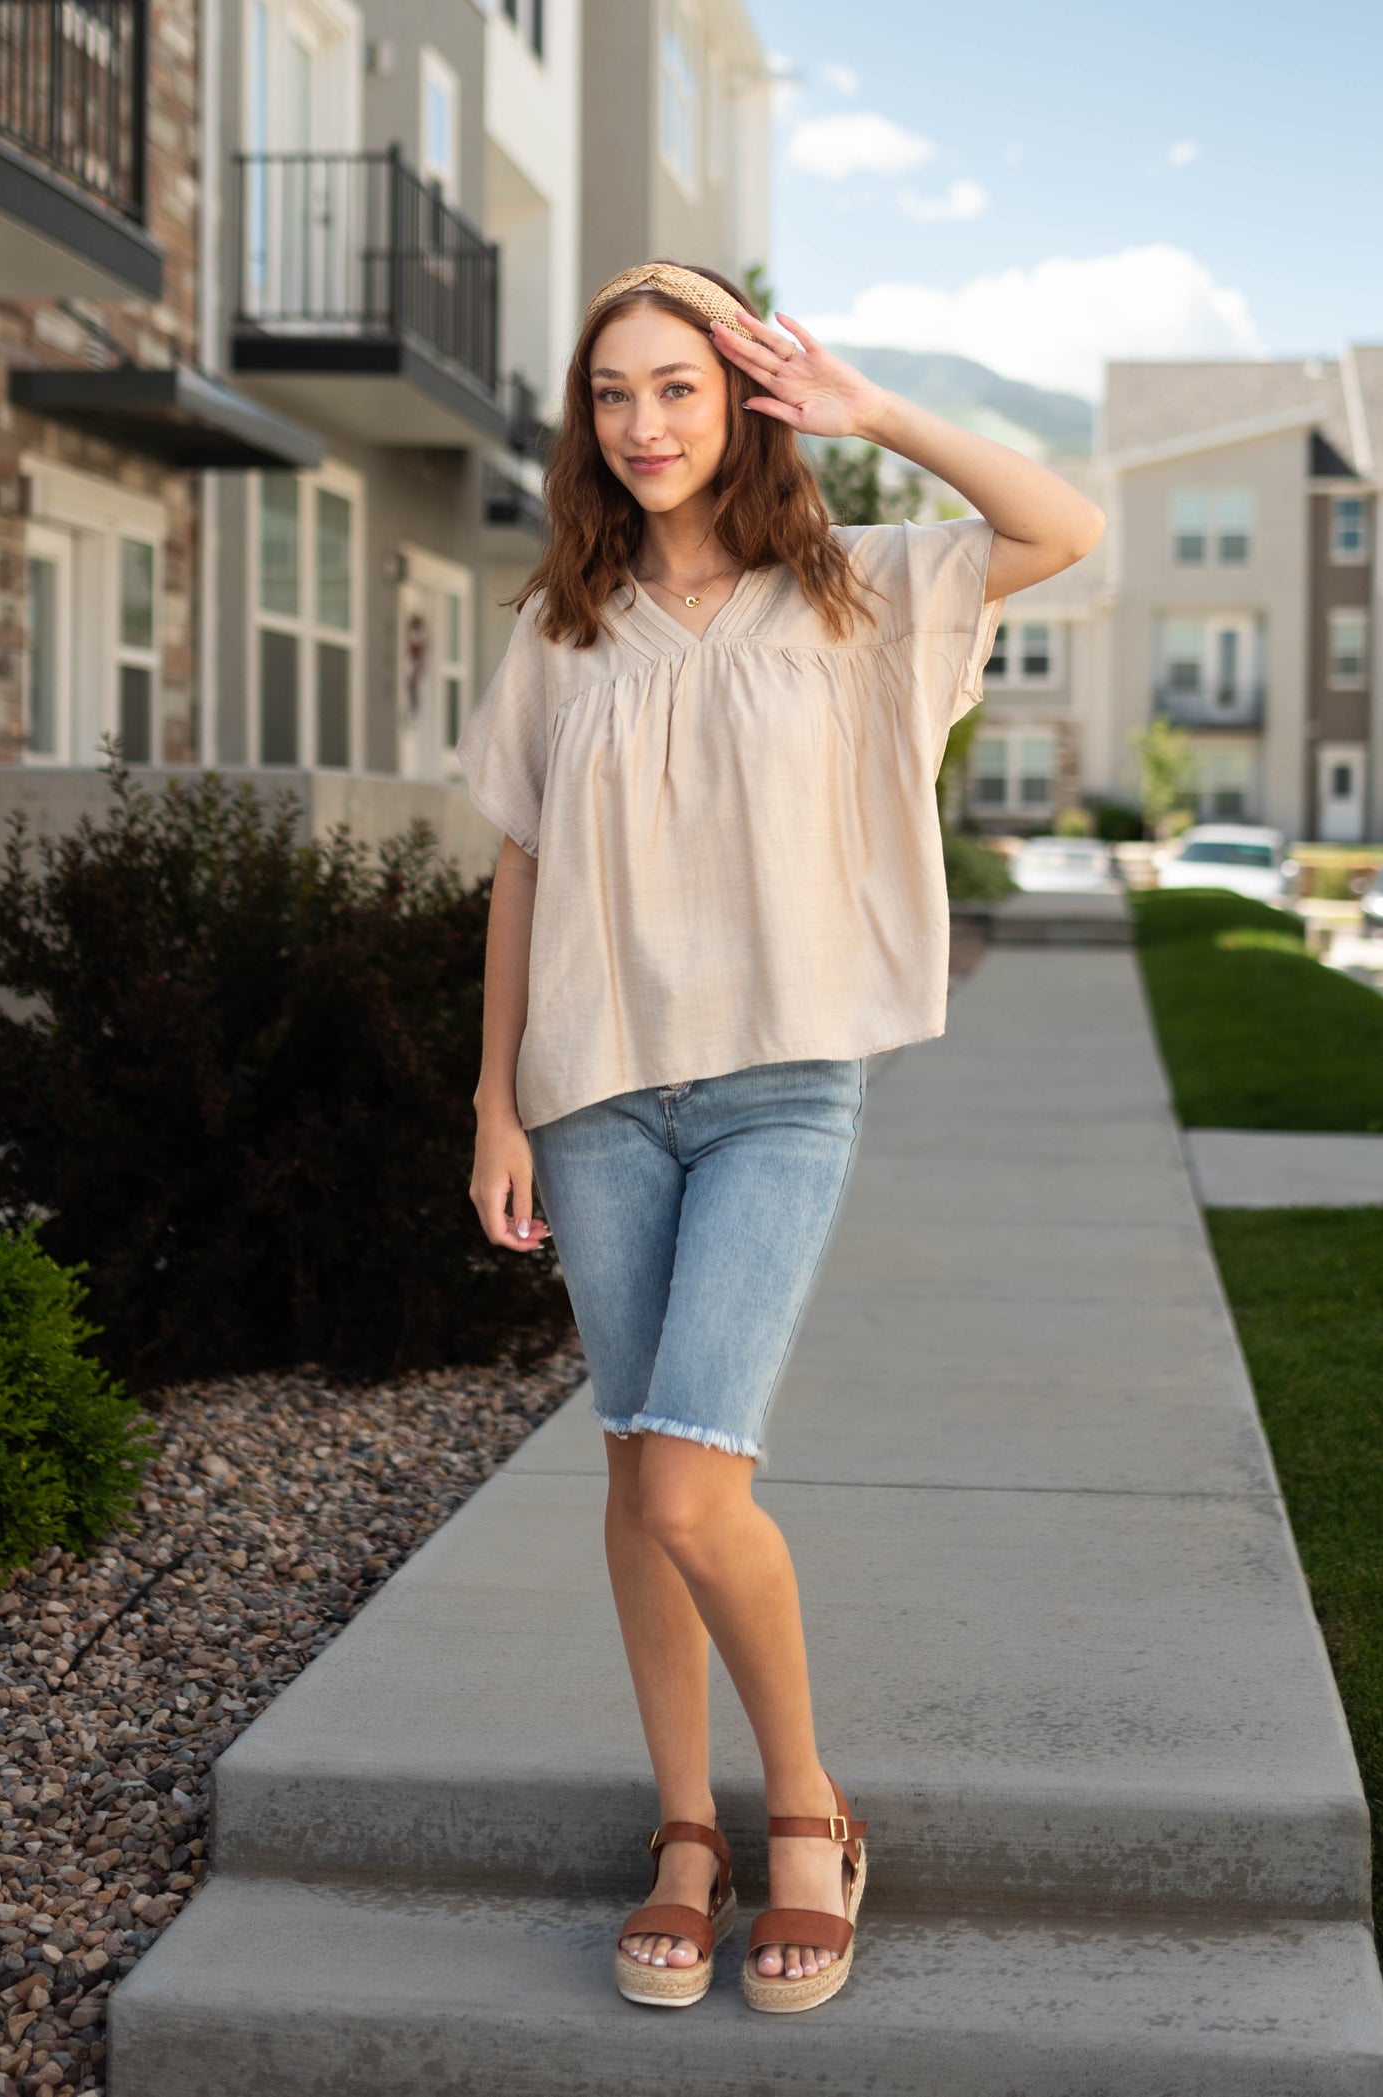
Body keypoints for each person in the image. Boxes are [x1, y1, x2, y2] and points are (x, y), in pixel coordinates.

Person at [460, 260, 1104, 2013]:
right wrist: (494, 1095)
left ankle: (807, 1809)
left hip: (781, 1090)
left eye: (678, 386)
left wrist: (877, 410)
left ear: (740, 397)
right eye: (614, 395)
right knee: (629, 1471)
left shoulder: (863, 590)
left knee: (690, 1473)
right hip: (592, 1091)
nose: (645, 424)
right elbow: (518, 857)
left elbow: (1070, 521)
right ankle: (689, 1832)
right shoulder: (564, 625)